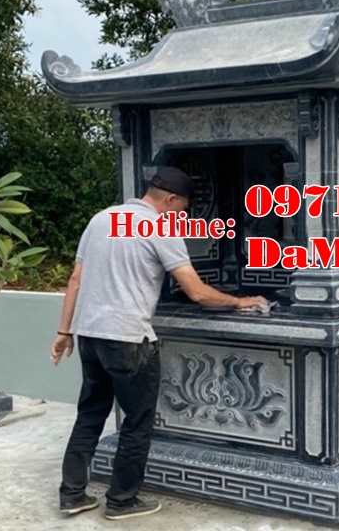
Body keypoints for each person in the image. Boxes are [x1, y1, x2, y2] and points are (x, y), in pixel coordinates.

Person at [50, 165, 268, 521]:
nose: (182, 217)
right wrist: (239, 301)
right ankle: (122, 501)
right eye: (182, 209)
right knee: (137, 422)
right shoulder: (160, 227)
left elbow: (76, 279)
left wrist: (63, 332)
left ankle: (72, 494)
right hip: (129, 339)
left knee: (89, 414)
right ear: (170, 199)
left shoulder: (101, 219)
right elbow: (197, 292)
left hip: (89, 335)